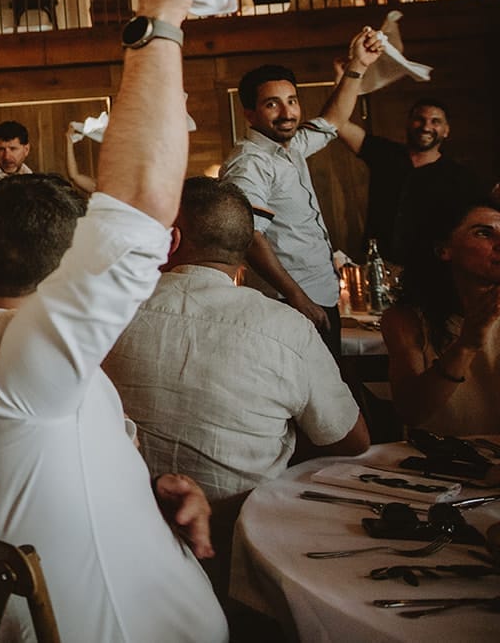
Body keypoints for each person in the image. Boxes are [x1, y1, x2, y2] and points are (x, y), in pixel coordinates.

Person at [0, 0, 228, 643]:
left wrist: (141, 492)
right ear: (68, 273)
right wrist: (160, 19)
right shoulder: (29, 376)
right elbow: (143, 208)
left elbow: (39, 471)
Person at [105, 177, 366, 501]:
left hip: (128, 513)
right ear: (243, 251)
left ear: (172, 240)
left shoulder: (109, 316)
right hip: (243, 524)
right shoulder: (288, 328)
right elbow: (352, 440)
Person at [220, 30, 383, 356]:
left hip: (319, 294)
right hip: (291, 303)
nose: (287, 112)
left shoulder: (291, 146)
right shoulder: (251, 164)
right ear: (250, 114)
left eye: (292, 101)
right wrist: (298, 298)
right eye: (272, 104)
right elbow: (250, 237)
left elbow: (333, 120)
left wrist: (358, 65)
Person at [381, 197, 500, 435]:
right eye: (484, 233)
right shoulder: (407, 320)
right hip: (437, 460)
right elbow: (412, 412)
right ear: (443, 249)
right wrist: (466, 345)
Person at [334, 96, 486, 264]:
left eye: (435, 121)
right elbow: (339, 123)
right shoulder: (385, 153)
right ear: (408, 123)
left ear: (446, 130)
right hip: (379, 263)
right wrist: (343, 77)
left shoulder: (460, 176)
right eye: (420, 119)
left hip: (432, 267)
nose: (426, 126)